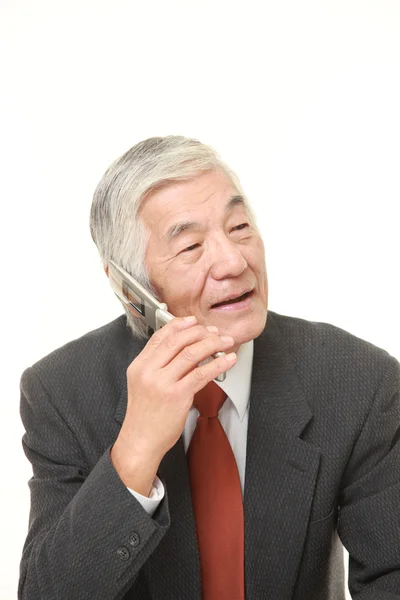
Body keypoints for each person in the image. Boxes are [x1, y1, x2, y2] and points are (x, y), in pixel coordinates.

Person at [19, 136, 400, 600]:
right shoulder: (60, 393)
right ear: (130, 289)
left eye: (239, 226)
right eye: (192, 246)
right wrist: (135, 451)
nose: (235, 262)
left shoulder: (357, 380)